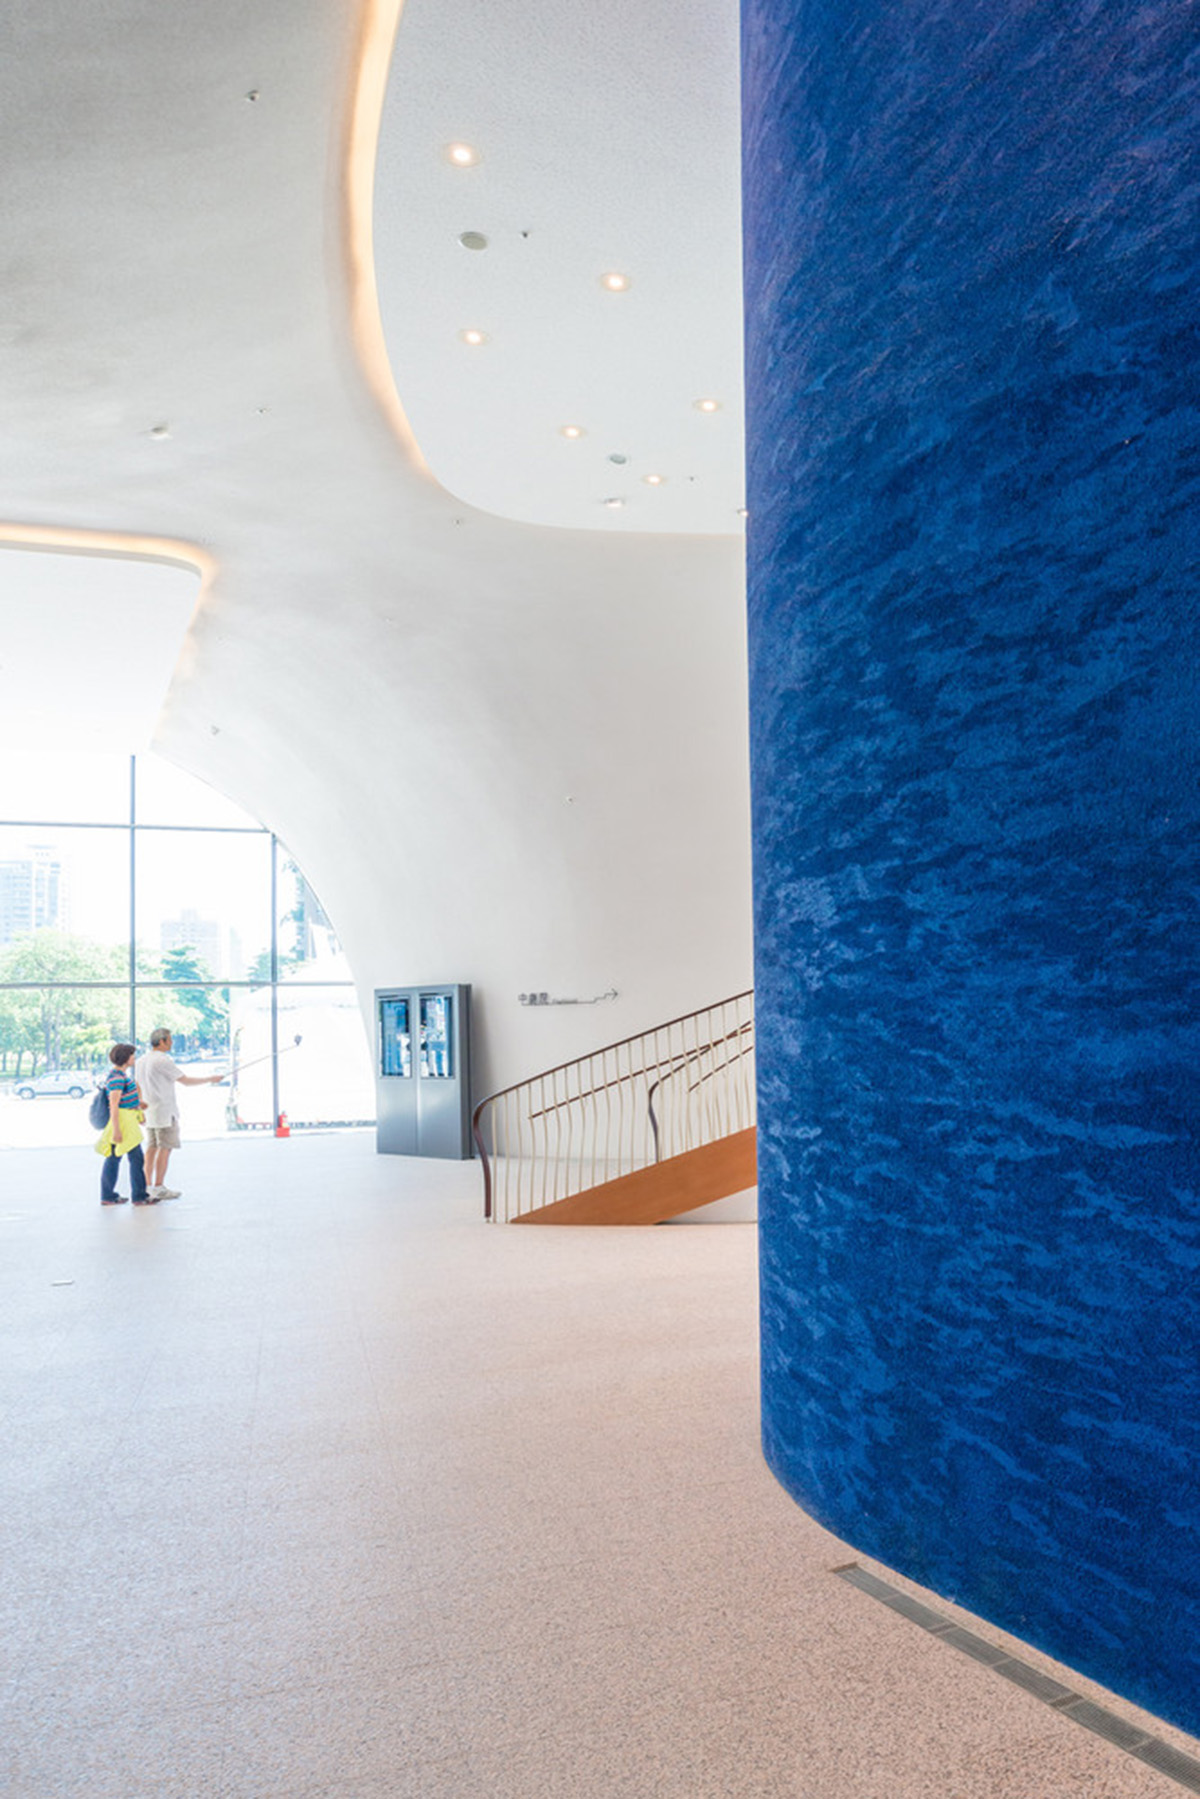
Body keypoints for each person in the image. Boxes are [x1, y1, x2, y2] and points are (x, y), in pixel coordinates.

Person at [137, 1028, 226, 1200]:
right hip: (164, 1111)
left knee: (152, 1148)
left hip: (149, 1112)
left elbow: (137, 1085)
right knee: (165, 1148)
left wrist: (140, 1109)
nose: (172, 1043)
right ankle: (159, 1187)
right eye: (169, 1040)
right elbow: (185, 1081)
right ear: (161, 1041)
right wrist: (210, 1079)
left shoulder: (141, 1061)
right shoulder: (163, 1060)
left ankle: (147, 1185)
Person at [95, 1042, 153, 1205]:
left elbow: (122, 1101)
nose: (134, 1058)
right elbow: (113, 1104)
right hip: (122, 1124)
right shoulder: (116, 1079)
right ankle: (139, 1196)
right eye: (132, 1055)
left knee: (114, 1158)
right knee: (135, 1159)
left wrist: (138, 1106)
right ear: (126, 1058)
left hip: (125, 1122)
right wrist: (116, 1130)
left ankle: (108, 1195)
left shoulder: (119, 1076)